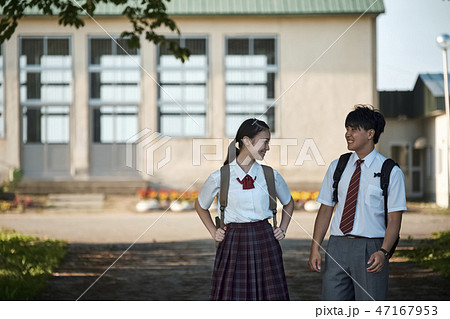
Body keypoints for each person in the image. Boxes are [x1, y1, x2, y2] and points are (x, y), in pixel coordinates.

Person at [308, 105, 407, 301]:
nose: (348, 134)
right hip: (337, 246)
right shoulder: (338, 166)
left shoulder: (390, 171)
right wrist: (315, 247)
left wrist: (383, 252)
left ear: (370, 133)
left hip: (371, 248)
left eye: (354, 129)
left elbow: (394, 219)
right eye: (347, 129)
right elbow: (326, 210)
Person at [195, 118, 294, 301]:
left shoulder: (270, 174)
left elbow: (289, 202)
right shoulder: (221, 176)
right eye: (265, 142)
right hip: (233, 242)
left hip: (265, 239)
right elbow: (200, 205)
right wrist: (213, 231)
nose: (268, 148)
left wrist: (283, 228)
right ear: (247, 141)